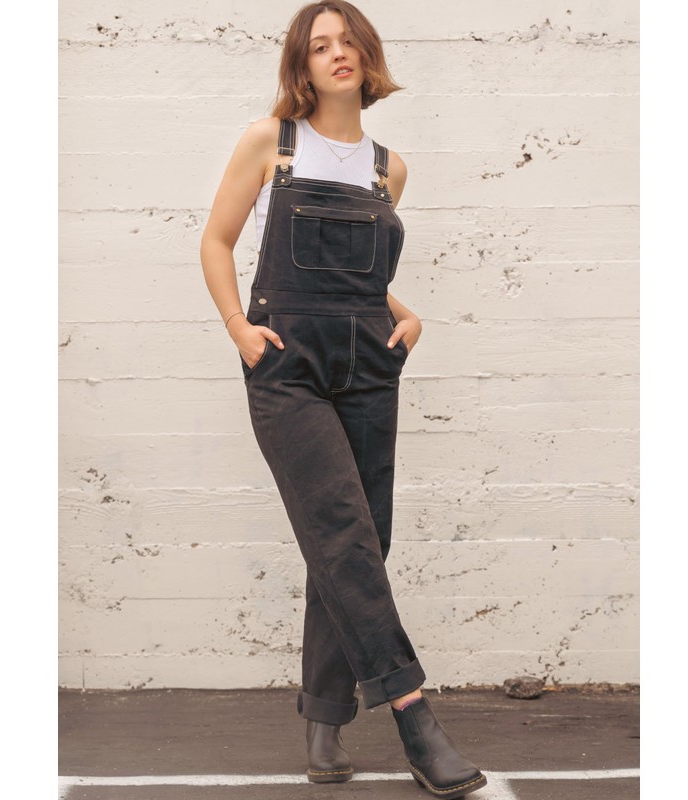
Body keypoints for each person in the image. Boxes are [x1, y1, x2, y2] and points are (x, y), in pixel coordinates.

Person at [199, 2, 486, 797]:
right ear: (303, 64)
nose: (337, 53)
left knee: (362, 539)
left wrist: (407, 315)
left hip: (367, 364)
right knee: (340, 532)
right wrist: (238, 327)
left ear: (368, 55)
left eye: (348, 40)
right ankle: (413, 713)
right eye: (319, 45)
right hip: (287, 365)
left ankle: (325, 717)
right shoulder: (271, 142)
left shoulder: (390, 168)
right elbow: (216, 241)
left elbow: (359, 277)